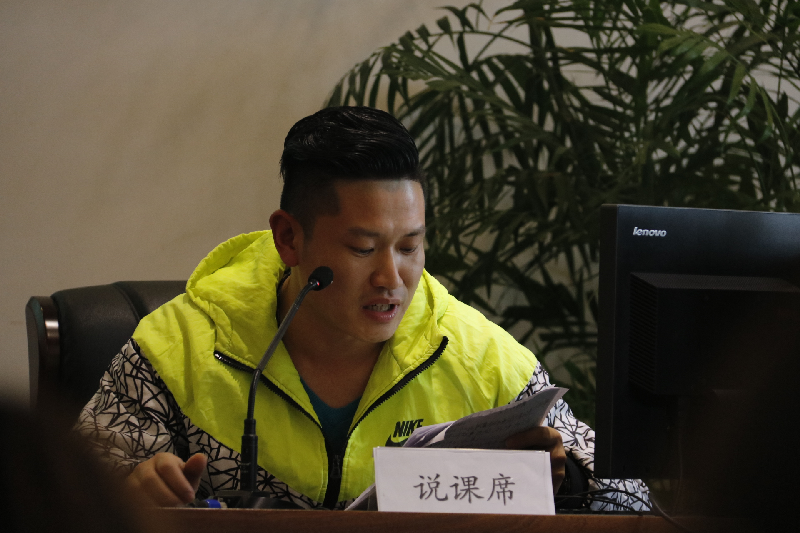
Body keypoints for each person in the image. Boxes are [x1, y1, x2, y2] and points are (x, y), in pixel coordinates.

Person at [76, 106, 649, 510]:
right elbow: (61, 500)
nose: (391, 278)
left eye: (409, 247)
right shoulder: (175, 351)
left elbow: (633, 498)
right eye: (362, 248)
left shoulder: (481, 360)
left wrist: (567, 481)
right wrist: (128, 496)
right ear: (289, 239)